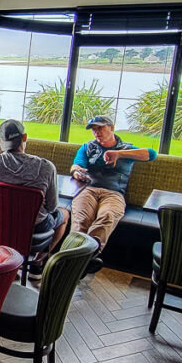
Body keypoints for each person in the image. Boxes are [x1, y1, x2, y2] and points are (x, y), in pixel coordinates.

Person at [0, 119, 69, 276]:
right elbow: (52, 207)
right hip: (33, 228)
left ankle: (4, 260)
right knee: (64, 213)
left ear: (0, 141)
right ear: (24, 137)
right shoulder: (46, 167)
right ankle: (39, 261)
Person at [70, 115, 156, 273]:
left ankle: (80, 259)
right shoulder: (88, 147)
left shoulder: (126, 148)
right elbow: (77, 164)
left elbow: (151, 154)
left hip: (114, 193)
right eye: (94, 129)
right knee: (81, 218)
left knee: (108, 215)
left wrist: (119, 154)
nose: (97, 132)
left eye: (100, 128)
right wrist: (76, 172)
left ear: (111, 127)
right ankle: (84, 260)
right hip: (88, 189)